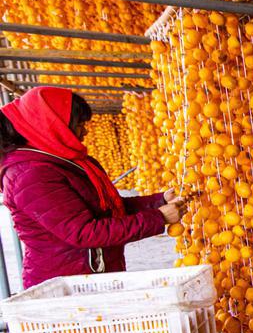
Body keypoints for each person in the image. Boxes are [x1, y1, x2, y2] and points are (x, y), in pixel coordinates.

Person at [0, 86, 186, 289]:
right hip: (66, 286)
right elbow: (84, 232)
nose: (85, 131)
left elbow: (106, 209)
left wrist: (160, 200)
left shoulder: (59, 160)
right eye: (79, 125)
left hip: (90, 275)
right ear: (54, 126)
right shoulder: (31, 174)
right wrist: (159, 218)